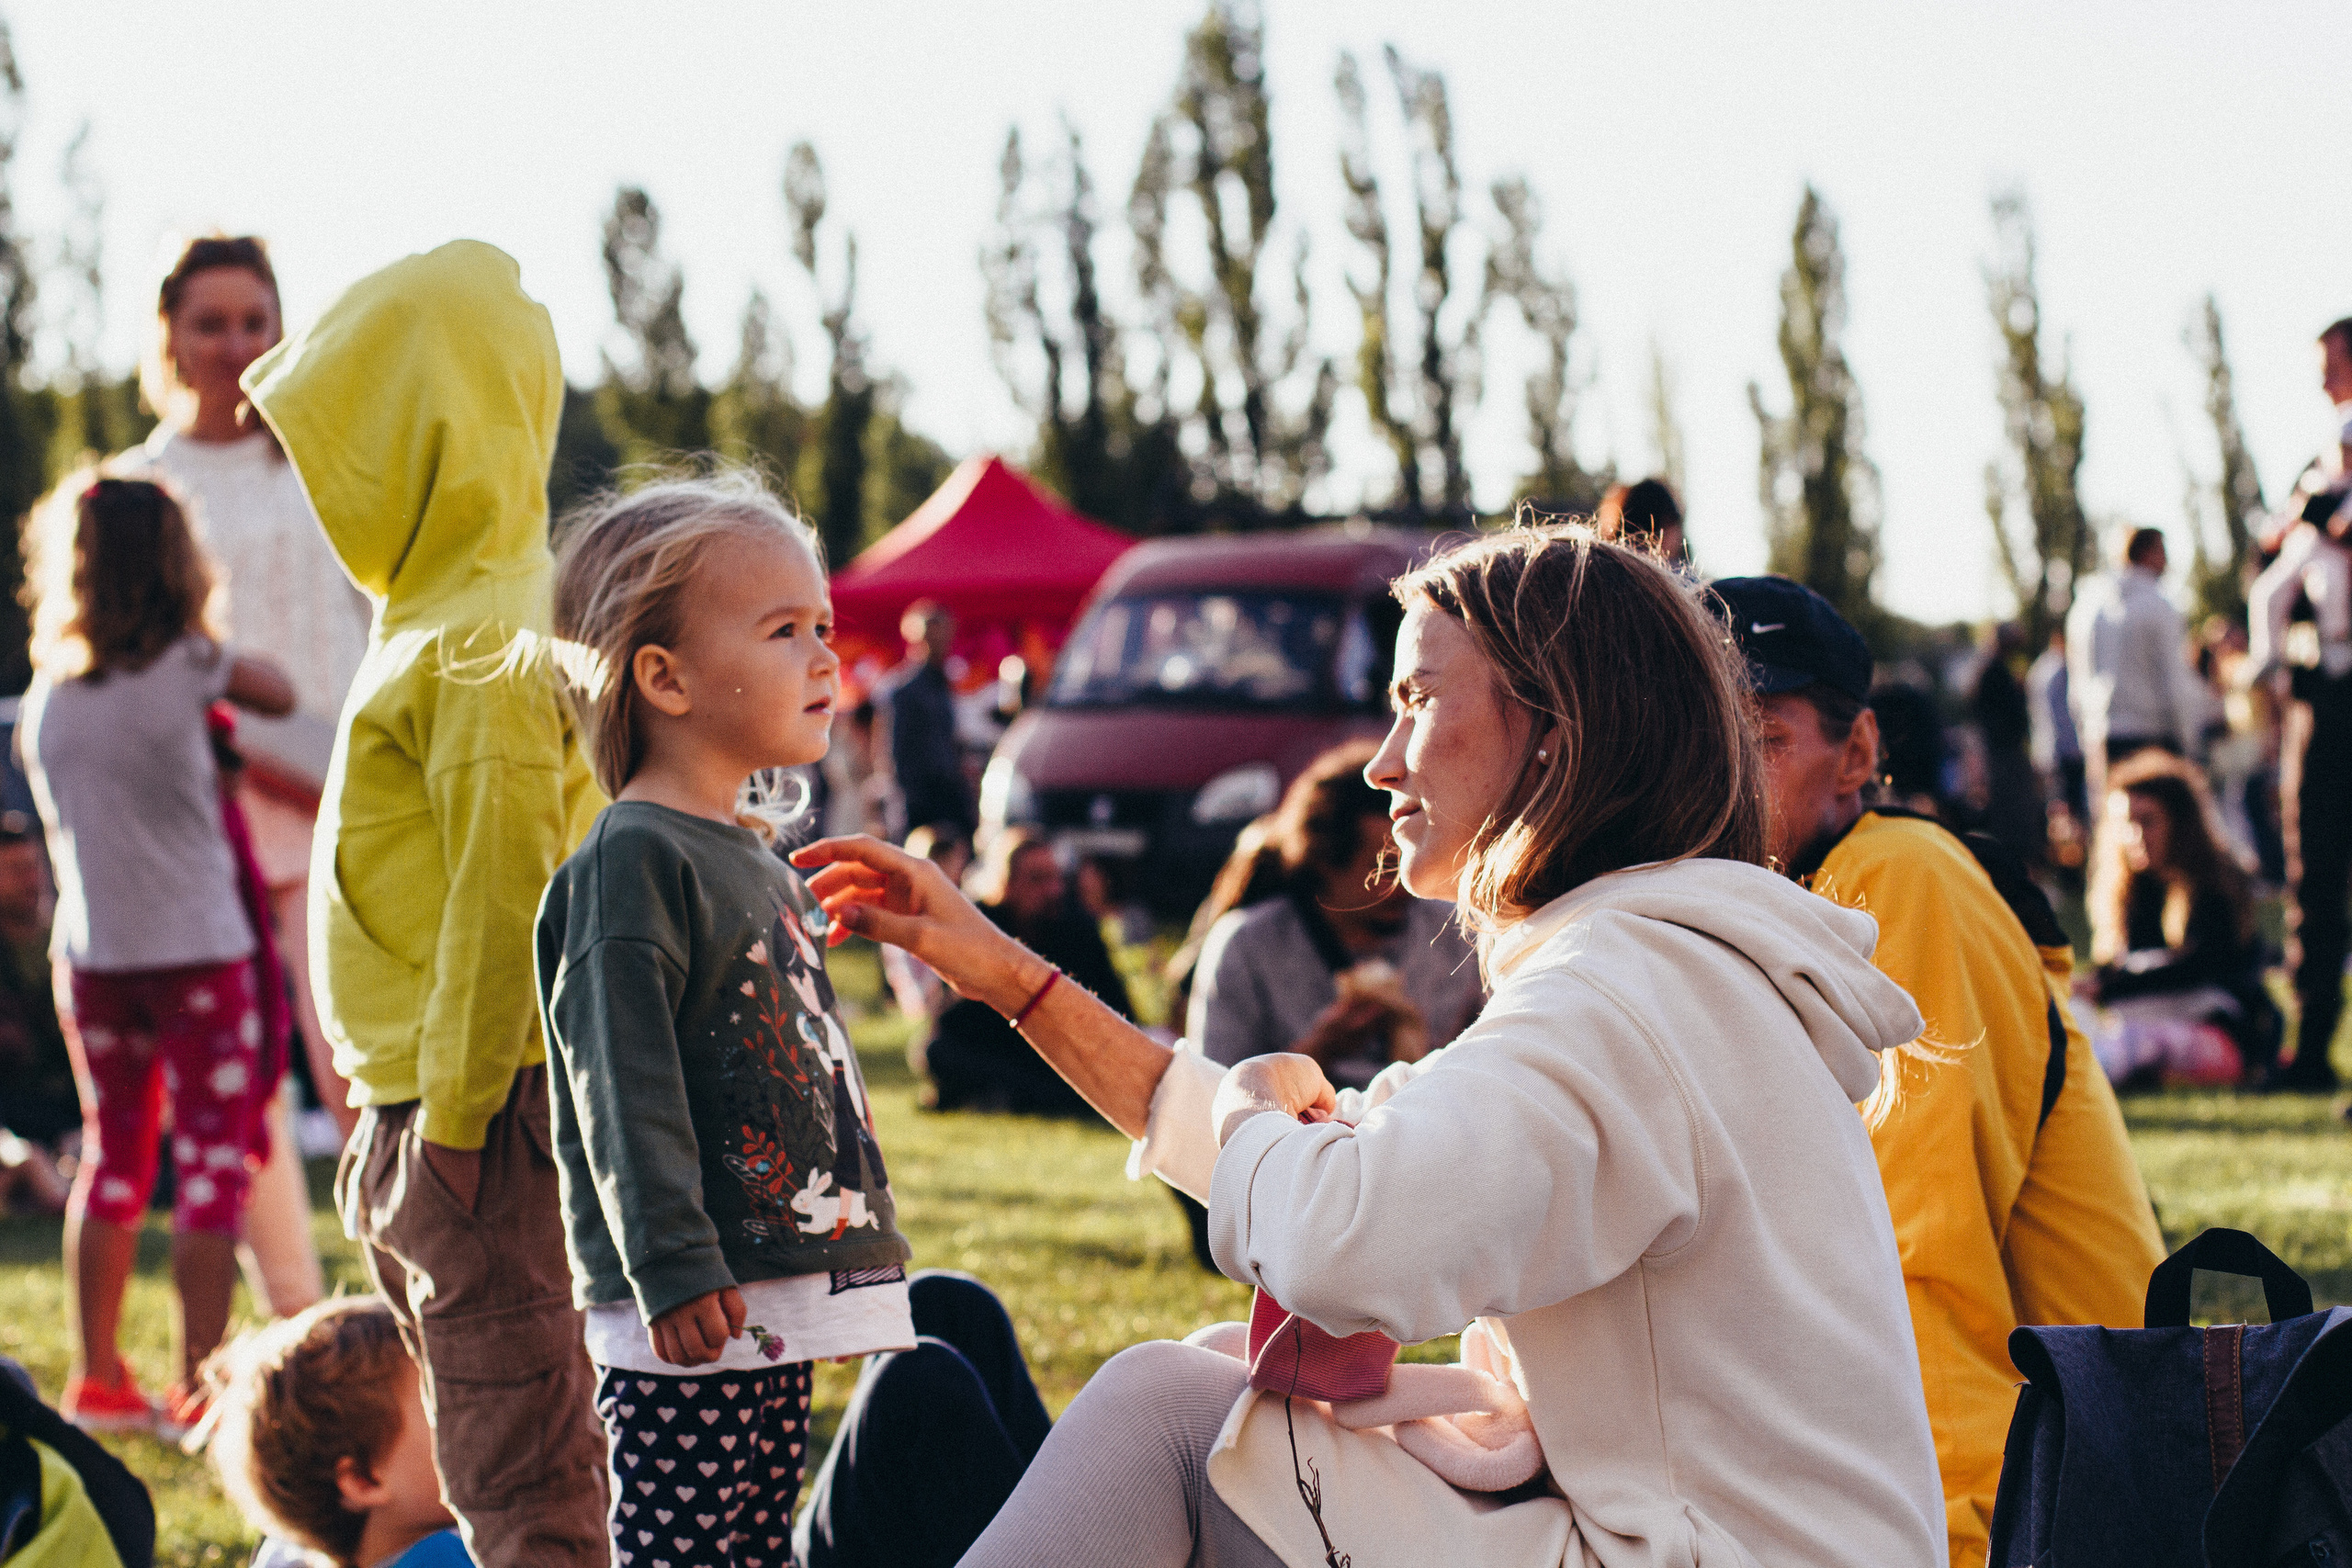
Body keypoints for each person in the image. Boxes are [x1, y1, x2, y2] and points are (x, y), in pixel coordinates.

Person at [797, 525, 1946, 1567]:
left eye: (1417, 701)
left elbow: (1344, 1234)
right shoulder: (1663, 966)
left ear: (1557, 732)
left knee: (1165, 1414)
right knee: (1211, 1388)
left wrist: (1266, 1123)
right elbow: (1316, 1171)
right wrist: (1001, 972)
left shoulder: (1625, 993)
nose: (1380, 760)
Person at [245, 241, 608, 1566]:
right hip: (427, 1112)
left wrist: (450, 1123)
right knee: (480, 1435)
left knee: (524, 1483)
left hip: (480, 1119)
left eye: (352, 443)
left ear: (424, 436)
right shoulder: (436, 614)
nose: (330, 483)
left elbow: (508, 892)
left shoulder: (484, 633)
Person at [1713, 574, 2166, 1568]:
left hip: (2059, 1495)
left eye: (1765, 739)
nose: (1722, 776)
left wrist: (1946, 1550)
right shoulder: (1790, 905)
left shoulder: (1897, 881)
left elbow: (1917, 1263)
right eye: (1700, 738)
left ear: (1859, 754)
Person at [537, 472, 914, 1564]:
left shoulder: (750, 853)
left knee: (750, 1547)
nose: (825, 659)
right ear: (666, 676)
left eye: (825, 627)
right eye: (783, 630)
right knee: (685, 1551)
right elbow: (622, 1081)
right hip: (692, 1302)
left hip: (761, 1287)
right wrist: (671, 1262)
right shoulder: (632, 860)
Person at [17, 473, 297, 1438]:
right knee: (215, 1165)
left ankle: (98, 1379)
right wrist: (210, 653)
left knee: (114, 1161)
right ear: (177, 564)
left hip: (96, 960)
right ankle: (197, 1389)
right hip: (199, 955)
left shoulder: (53, 693)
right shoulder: (189, 665)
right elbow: (282, 690)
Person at [1182, 739, 1482, 1089]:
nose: (1407, 886)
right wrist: (1319, 1051)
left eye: (1411, 861)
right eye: (1384, 870)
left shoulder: (1459, 934)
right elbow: (1212, 1094)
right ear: (1324, 860)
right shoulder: (1249, 946)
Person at [2242, 314, 2352, 1093]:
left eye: (2334, 362)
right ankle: (2311, 1048)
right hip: (2322, 688)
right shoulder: (2316, 463)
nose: (2323, 379)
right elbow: (2276, 562)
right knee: (2313, 866)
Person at [206, 1297, 469, 1568]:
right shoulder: (447, 1556)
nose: (476, 1415)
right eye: (441, 1406)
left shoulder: (286, 1555)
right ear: (363, 1479)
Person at [2080, 753, 2276, 1086]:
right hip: (2148, 1023)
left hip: (2218, 1036)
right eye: (2127, 823)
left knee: (2133, 1042)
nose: (2136, 835)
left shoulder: (2214, 885)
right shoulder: (2130, 891)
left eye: (2148, 821)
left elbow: (2201, 967)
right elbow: (2120, 968)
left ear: (2180, 823)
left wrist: (2109, 987)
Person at [920, 829, 1133, 1115]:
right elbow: (948, 1017)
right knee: (936, 1051)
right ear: (1006, 884)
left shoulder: (1078, 930)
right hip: (998, 1048)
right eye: (1037, 879)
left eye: (1055, 878)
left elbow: (1119, 1014)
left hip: (1057, 1056)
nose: (1052, 890)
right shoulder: (982, 925)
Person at [2067, 526, 2199, 808]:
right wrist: (2189, 741)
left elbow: (2077, 682)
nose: (2168, 562)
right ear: (2148, 554)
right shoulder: (2158, 605)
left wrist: (2086, 732)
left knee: (2113, 829)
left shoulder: (2088, 607)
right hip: (2152, 735)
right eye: (2163, 552)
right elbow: (2173, 680)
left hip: (2102, 735)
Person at [879, 601, 975, 839]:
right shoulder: (903, 689)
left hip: (948, 796)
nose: (941, 641)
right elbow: (894, 754)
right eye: (933, 634)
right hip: (921, 802)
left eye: (945, 634)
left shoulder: (943, 684)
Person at [1969, 622, 2044, 866]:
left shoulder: (1995, 669)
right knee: (2013, 814)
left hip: (2004, 752)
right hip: (2004, 753)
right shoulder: (1995, 672)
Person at [1592, 476, 1690, 575]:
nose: (1678, 536)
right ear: (1666, 522)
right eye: (1674, 524)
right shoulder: (1675, 577)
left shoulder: (1599, 570)